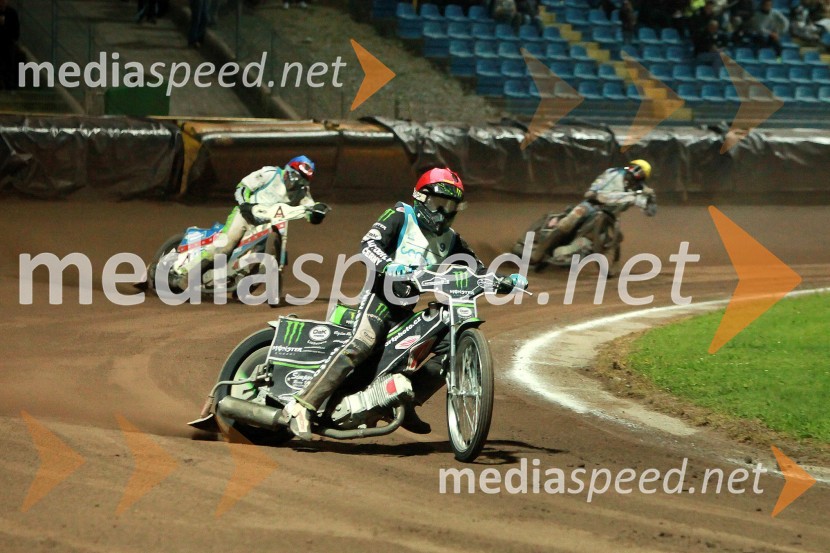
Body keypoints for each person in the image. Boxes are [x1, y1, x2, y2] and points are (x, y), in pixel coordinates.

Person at [279, 167, 528, 439]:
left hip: (406, 311)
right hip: (379, 302)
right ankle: (301, 406)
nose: (443, 213)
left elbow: (476, 271)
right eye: (438, 204)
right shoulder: (400, 215)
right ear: (420, 198)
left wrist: (505, 280)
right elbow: (369, 243)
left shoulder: (452, 240)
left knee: (448, 348)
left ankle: (407, 402)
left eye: (450, 207)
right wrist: (388, 265)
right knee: (360, 345)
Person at [173, 155, 325, 289]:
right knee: (225, 246)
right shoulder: (270, 173)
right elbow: (242, 187)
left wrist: (317, 213)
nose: (298, 181)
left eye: (303, 179)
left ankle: (242, 281)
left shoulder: (302, 191)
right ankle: (186, 274)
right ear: (288, 170)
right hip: (245, 215)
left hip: (270, 224)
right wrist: (245, 204)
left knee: (265, 250)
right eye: (297, 176)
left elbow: (309, 210)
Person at [526, 160, 656, 267]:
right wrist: (593, 191)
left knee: (612, 237)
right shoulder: (614, 173)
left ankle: (574, 253)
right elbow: (599, 183)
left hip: (610, 217)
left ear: (643, 177)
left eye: (639, 171)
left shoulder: (641, 191)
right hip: (592, 205)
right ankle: (537, 254)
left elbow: (649, 210)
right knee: (569, 220)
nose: (634, 171)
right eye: (634, 168)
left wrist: (651, 200)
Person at [0, 0, 20, 90]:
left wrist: (14, 38)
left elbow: (16, 28)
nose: (3, 3)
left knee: (9, 64)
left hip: (8, 42)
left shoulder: (11, 13)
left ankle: (9, 85)